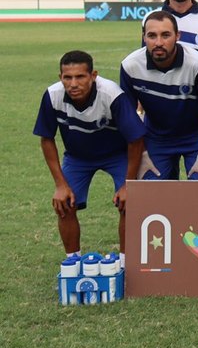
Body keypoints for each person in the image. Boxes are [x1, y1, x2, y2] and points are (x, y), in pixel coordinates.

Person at [34, 51, 144, 262]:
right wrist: (60, 185)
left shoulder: (112, 94)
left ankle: (125, 263)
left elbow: (136, 140)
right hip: (78, 157)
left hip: (117, 154)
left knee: (130, 202)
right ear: (60, 78)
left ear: (93, 75)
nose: (73, 83)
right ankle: (72, 262)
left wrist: (129, 185)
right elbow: (46, 139)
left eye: (80, 77)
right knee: (64, 203)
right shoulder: (52, 95)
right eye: (68, 77)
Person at [119, 12, 198, 180]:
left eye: (166, 35)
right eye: (152, 36)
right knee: (154, 192)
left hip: (196, 136)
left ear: (177, 36)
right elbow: (129, 117)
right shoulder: (130, 66)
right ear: (144, 37)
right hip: (156, 137)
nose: (159, 42)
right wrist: (143, 152)